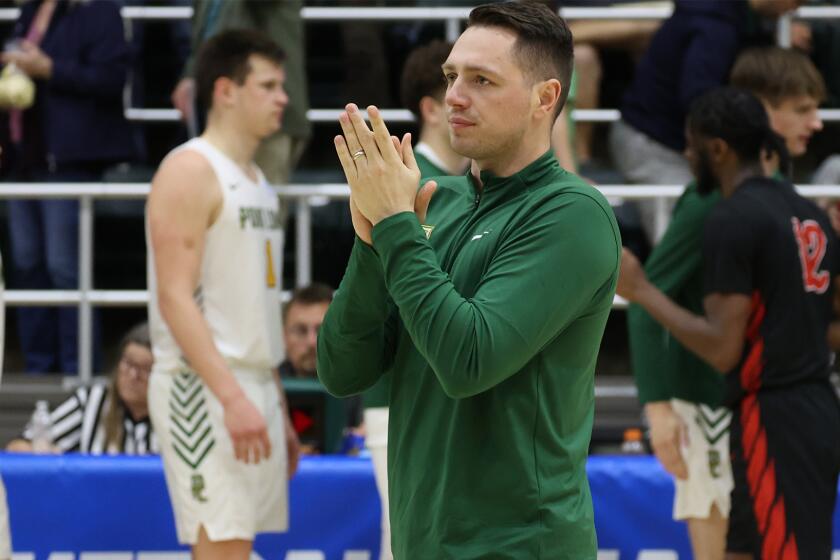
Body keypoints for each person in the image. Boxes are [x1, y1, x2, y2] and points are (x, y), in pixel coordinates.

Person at [318, 2, 621, 557]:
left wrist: (395, 226)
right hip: (423, 542)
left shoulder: (573, 213)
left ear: (545, 98)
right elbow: (343, 369)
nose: (455, 95)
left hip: (520, 545)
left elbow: (468, 360)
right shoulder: (440, 202)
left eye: (482, 80)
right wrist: (370, 242)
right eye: (452, 77)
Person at [618, 86, 840, 560]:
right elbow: (829, 326)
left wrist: (641, 290)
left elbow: (723, 348)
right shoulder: (809, 212)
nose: (685, 154)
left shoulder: (731, 215)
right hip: (815, 405)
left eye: (690, 144)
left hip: (774, 416)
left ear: (717, 148)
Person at [146, 29, 300, 559]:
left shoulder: (256, 178)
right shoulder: (190, 169)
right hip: (202, 387)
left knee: (239, 545)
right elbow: (174, 298)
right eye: (268, 85)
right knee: (223, 549)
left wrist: (273, 399)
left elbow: (254, 303)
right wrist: (233, 396)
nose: (283, 97)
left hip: (251, 381)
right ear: (225, 91)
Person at [360, 38, 468, 560]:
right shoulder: (406, 184)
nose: (471, 101)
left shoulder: (469, 185)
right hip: (402, 400)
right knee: (405, 545)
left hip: (448, 400)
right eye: (460, 87)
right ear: (431, 107)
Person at [1, 0, 135, 374]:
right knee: (27, 268)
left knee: (65, 270)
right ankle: (37, 368)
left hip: (68, 161)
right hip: (23, 160)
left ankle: (78, 370)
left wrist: (50, 69)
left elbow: (111, 79)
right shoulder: (32, 10)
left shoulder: (100, 11)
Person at [610, 0, 803, 243]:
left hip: (674, 142)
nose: (797, 8)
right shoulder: (716, 24)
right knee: (690, 243)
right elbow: (698, 100)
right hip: (655, 143)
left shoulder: (733, 17)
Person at [171, 0, 310, 189]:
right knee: (215, 205)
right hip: (219, 109)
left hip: (268, 119)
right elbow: (208, 30)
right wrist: (192, 73)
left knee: (260, 212)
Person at [7, 322, 157, 454]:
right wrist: (46, 454)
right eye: (128, 364)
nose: (132, 375)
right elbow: (18, 446)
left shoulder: (174, 410)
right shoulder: (92, 400)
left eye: (144, 369)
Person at [278, 283, 333, 380]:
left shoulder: (363, 384)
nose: (311, 342)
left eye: (322, 331)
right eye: (300, 331)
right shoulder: (264, 386)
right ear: (284, 336)